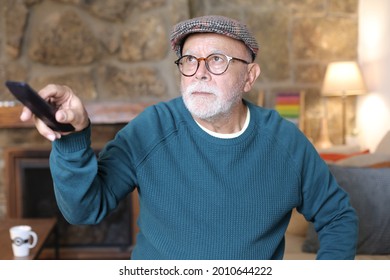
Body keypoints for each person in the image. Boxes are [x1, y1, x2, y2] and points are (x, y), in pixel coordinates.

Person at [20, 15, 358, 260]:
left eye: (217, 60)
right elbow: (84, 209)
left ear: (249, 77)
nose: (199, 72)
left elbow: (338, 217)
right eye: (189, 60)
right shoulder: (152, 127)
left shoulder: (285, 143)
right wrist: (72, 136)